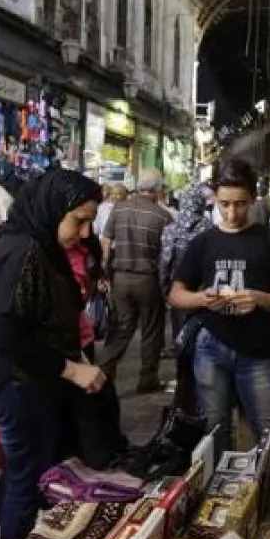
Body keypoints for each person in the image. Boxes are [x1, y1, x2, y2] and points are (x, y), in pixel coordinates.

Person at [0, 170, 107, 539]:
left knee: (32, 471)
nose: (83, 233)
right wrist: (70, 368)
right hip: (16, 382)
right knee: (25, 482)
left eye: (89, 223)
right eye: (78, 221)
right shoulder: (25, 252)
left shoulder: (39, 245)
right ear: (52, 208)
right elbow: (6, 333)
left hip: (30, 381)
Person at [169, 159, 270, 456]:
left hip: (256, 351)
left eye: (240, 204)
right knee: (215, 432)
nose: (231, 213)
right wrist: (203, 299)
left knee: (269, 432)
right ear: (215, 198)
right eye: (224, 204)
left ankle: (266, 494)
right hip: (210, 348)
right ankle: (217, 496)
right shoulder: (203, 242)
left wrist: (258, 298)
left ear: (253, 199)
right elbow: (176, 295)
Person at [100, 169, 173, 394]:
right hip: (148, 281)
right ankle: (147, 379)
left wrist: (105, 271)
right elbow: (166, 254)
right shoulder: (163, 216)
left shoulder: (118, 209)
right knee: (151, 330)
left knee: (121, 328)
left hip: (120, 278)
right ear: (157, 189)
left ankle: (104, 372)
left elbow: (105, 240)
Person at [160, 183, 214, 341]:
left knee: (180, 333)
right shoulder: (209, 228)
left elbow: (165, 261)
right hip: (204, 289)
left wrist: (165, 290)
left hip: (178, 288)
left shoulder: (171, 229)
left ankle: (181, 360)